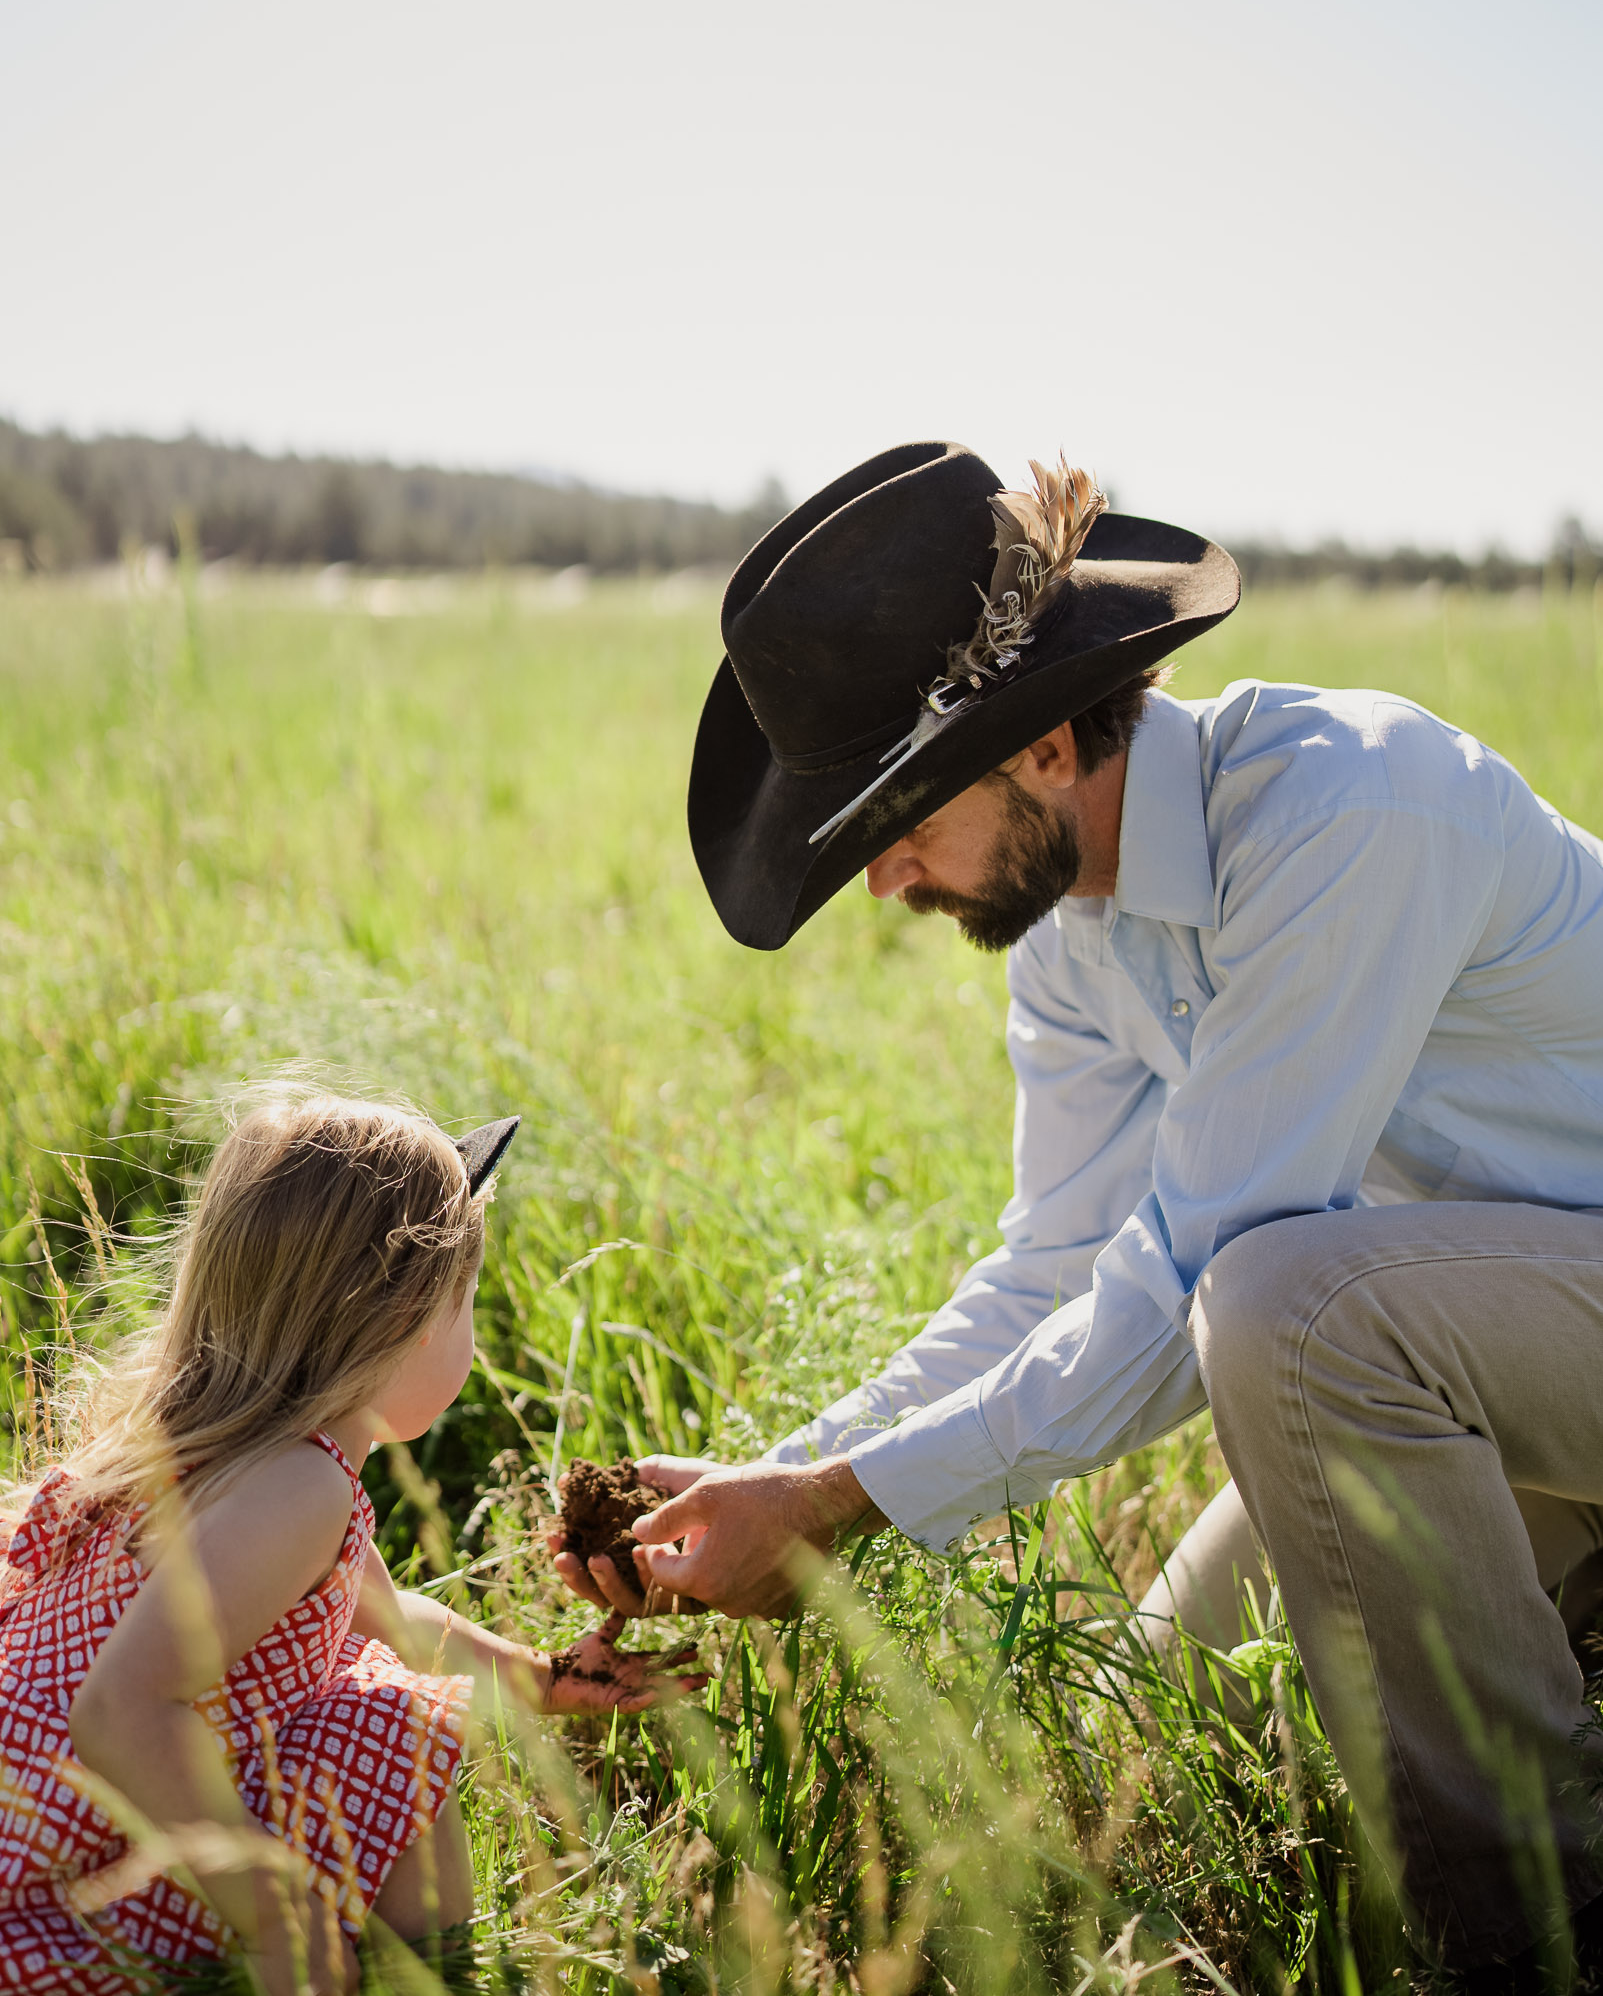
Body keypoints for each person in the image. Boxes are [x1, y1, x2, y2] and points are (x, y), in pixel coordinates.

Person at [552, 442, 1603, 1990]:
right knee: (1143, 1720)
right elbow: (1051, 1265)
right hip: (1490, 1359)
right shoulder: (1063, 926)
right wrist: (784, 1477)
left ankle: (1532, 1922)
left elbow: (1191, 1282)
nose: (880, 883)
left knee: (1274, 1309)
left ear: (1044, 748)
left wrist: (843, 1510)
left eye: (896, 817)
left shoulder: (1347, 812)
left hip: (1506, 1336)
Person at [0, 1094, 696, 1996]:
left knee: (373, 1690)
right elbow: (119, 1713)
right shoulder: (299, 1486)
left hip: (59, 1814)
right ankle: (430, 1970)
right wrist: (270, 1915)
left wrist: (540, 1677)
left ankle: (422, 1967)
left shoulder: (229, 1444)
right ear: (404, 1321)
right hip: (60, 1883)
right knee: (400, 1722)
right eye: (466, 1302)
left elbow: (382, 1613)